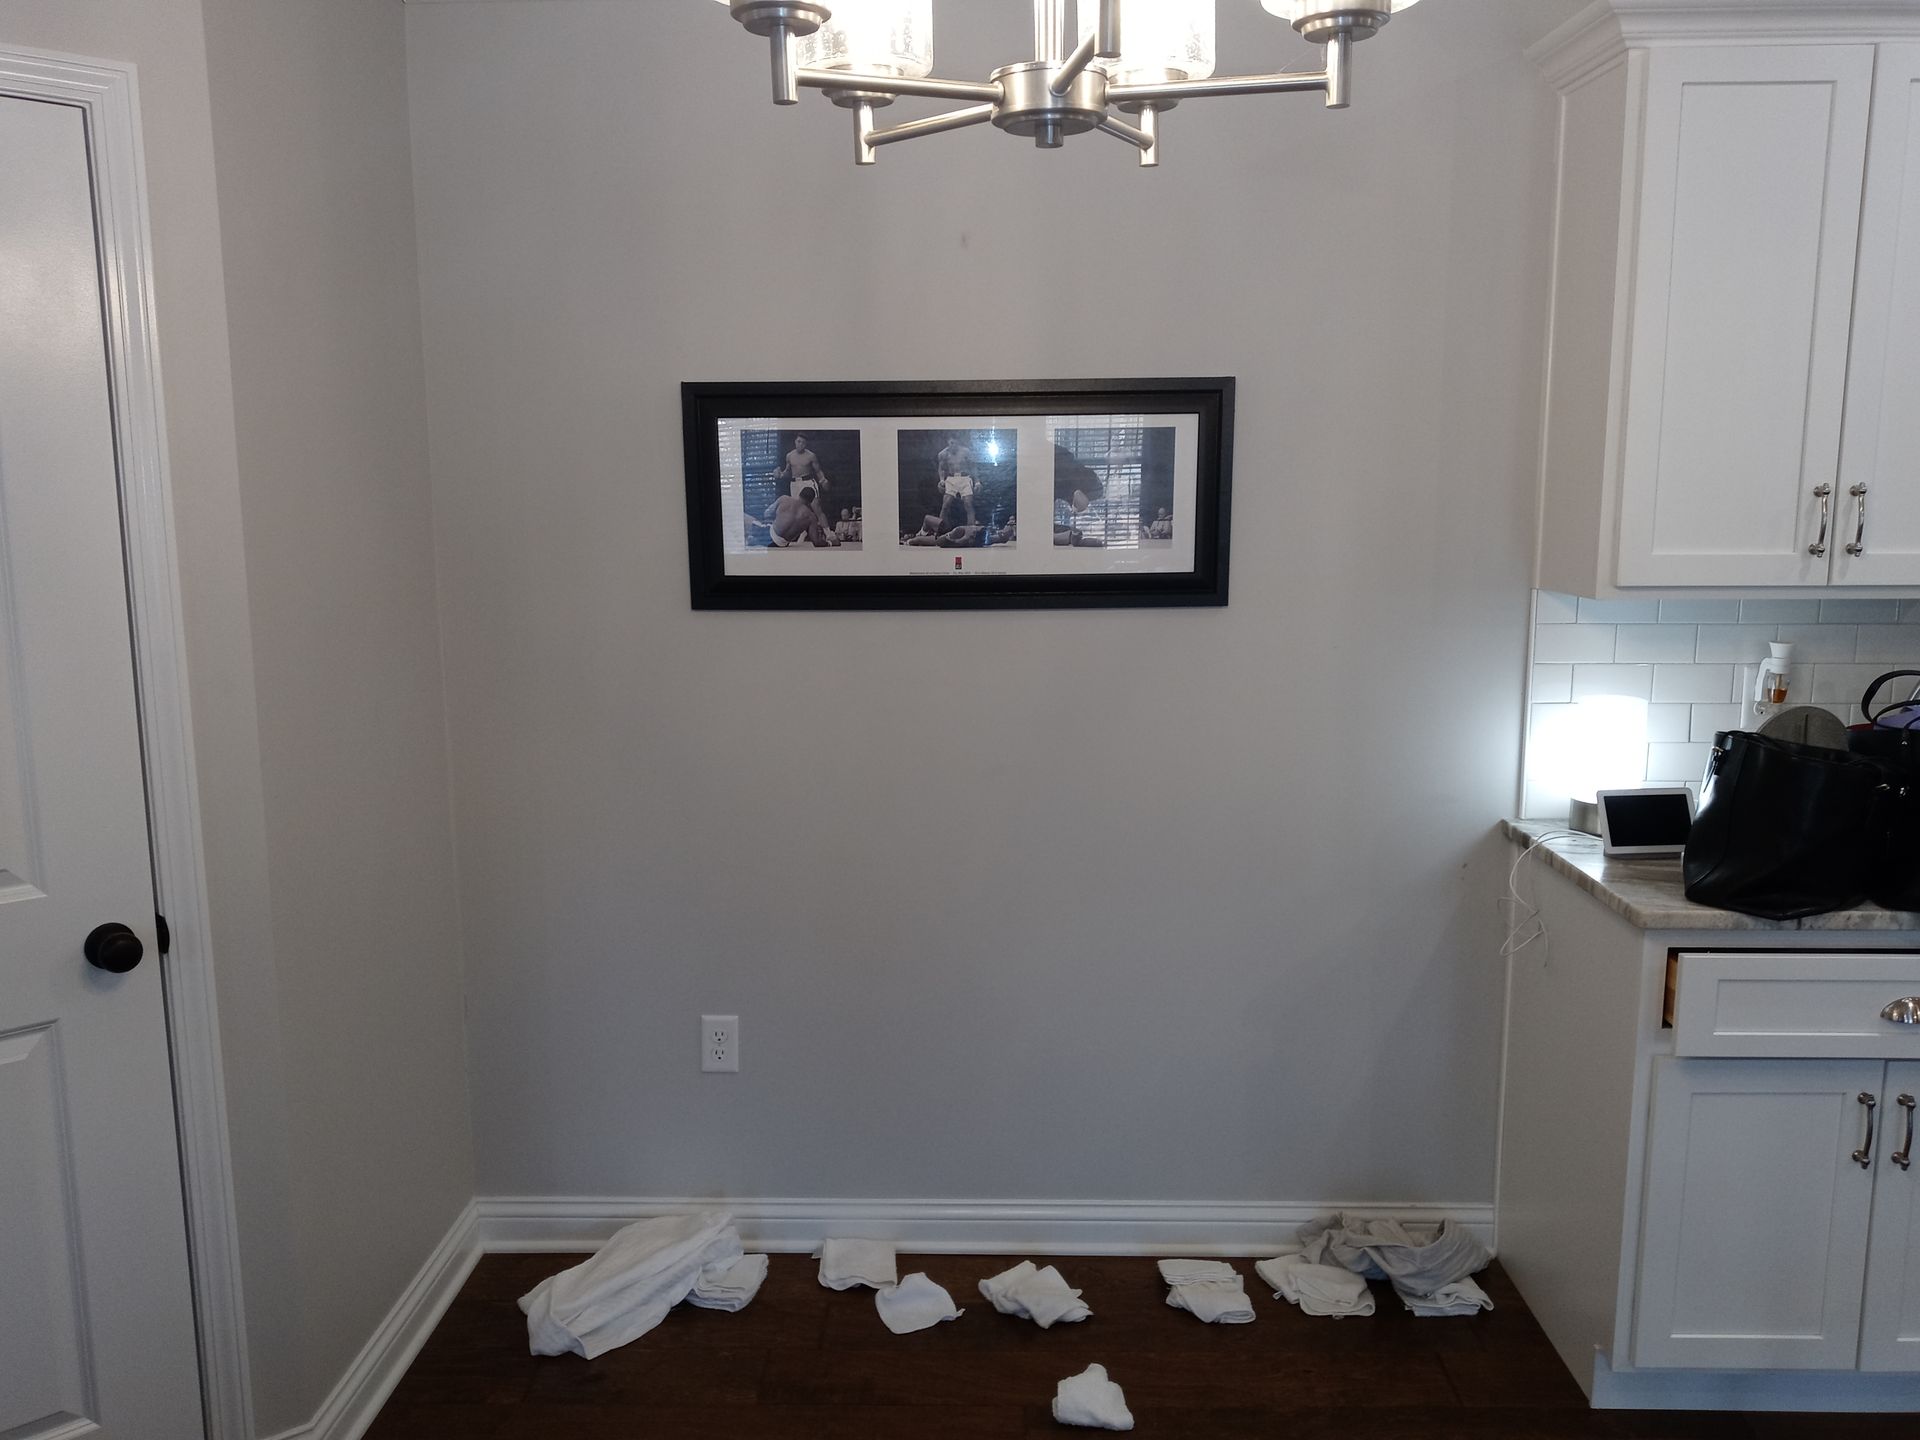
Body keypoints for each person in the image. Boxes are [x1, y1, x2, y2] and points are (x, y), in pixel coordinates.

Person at [774, 434, 830, 532]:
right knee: (797, 510)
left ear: (806, 444)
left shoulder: (811, 455)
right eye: (799, 441)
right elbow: (787, 472)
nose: (800, 444)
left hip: (808, 482)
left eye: (803, 442)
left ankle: (829, 533)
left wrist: (823, 479)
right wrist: (781, 475)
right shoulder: (789, 456)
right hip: (795, 484)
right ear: (795, 442)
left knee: (816, 507)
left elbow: (818, 471)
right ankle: (801, 534)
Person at [933, 432, 978, 531]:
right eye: (951, 443)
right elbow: (941, 468)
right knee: (945, 505)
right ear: (948, 442)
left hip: (965, 478)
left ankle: (971, 530)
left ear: (958, 442)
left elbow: (973, 466)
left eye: (954, 443)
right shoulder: (943, 454)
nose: (952, 445)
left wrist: (977, 481)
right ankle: (942, 530)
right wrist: (941, 480)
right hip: (951, 479)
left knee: (968, 503)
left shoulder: (966, 452)